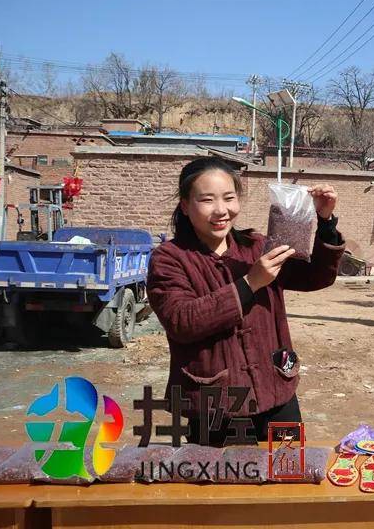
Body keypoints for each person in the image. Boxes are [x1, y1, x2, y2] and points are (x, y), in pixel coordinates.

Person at [147, 157, 345, 446]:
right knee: (227, 485)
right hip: (215, 404)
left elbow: (314, 277)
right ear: (186, 206)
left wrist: (325, 222)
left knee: (286, 474)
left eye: (229, 198)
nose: (221, 210)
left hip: (278, 393)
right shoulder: (169, 259)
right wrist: (250, 283)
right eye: (207, 200)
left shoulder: (256, 246)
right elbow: (182, 321)